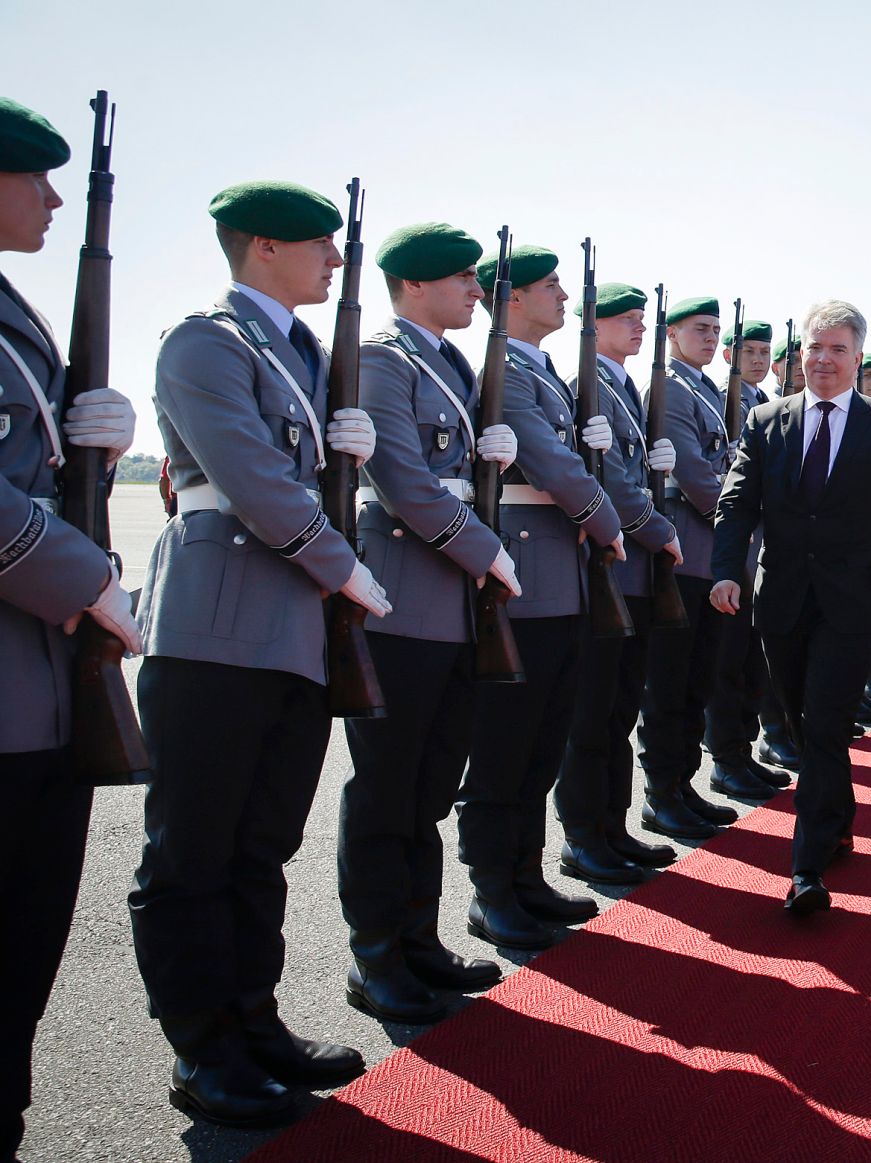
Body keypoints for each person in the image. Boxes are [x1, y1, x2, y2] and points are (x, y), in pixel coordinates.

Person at [133, 179, 389, 1126]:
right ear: (265, 249)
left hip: (294, 628)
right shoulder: (205, 340)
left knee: (262, 842)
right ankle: (204, 1052)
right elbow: (247, 476)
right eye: (319, 245)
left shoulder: (308, 354)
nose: (331, 260)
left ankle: (255, 1020)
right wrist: (345, 565)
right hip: (218, 622)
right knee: (193, 848)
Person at [0, 97, 141, 1157]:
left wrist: (83, 451)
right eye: (33, 175)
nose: (53, 197)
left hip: (43, 693)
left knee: (22, 949)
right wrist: (88, 575)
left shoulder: (18, 316)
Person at [339, 221, 519, 1022]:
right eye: (463, 277)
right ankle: (376, 953)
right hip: (406, 596)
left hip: (451, 607)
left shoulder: (445, 361)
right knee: (388, 786)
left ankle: (419, 938)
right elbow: (402, 476)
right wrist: (483, 548)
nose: (477, 290)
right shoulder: (383, 356)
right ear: (414, 284)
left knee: (431, 784)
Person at [710, 299, 871, 914]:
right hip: (781, 601)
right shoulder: (768, 422)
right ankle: (839, 815)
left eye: (837, 350)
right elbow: (738, 503)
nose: (824, 360)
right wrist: (728, 572)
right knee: (805, 725)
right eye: (814, 348)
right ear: (799, 354)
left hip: (852, 604)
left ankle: (805, 868)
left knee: (825, 723)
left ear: (857, 358)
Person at [457, 244, 628, 949]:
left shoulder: (548, 372)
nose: (564, 298)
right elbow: (547, 459)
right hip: (524, 582)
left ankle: (524, 874)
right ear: (514, 300)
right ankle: (491, 887)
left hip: (560, 579)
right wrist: (610, 518)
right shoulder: (502, 368)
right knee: (503, 747)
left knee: (540, 745)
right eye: (550, 287)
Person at [554, 283, 686, 883]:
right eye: (628, 320)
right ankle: (584, 835)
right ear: (593, 325)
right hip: (607, 566)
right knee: (593, 712)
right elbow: (608, 483)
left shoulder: (623, 386)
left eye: (642, 320)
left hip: (631, 572)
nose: (639, 329)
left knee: (620, 709)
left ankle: (613, 825)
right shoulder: (585, 382)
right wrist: (656, 528)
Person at [638, 295, 737, 838]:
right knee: (670, 684)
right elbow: (697, 474)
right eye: (700, 329)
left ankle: (681, 784)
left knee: (697, 679)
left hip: (708, 552)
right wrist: (738, 517)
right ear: (671, 333)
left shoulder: (703, 388)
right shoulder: (670, 388)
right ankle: (661, 793)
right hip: (686, 551)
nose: (711, 339)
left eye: (716, 331)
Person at [704, 318, 789, 798]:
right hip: (730, 547)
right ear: (729, 356)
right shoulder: (724, 400)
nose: (757, 359)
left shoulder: (762, 405)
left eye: (764, 351)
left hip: (759, 549)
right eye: (748, 351)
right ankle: (726, 758)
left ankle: (742, 751)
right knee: (727, 663)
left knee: (752, 662)